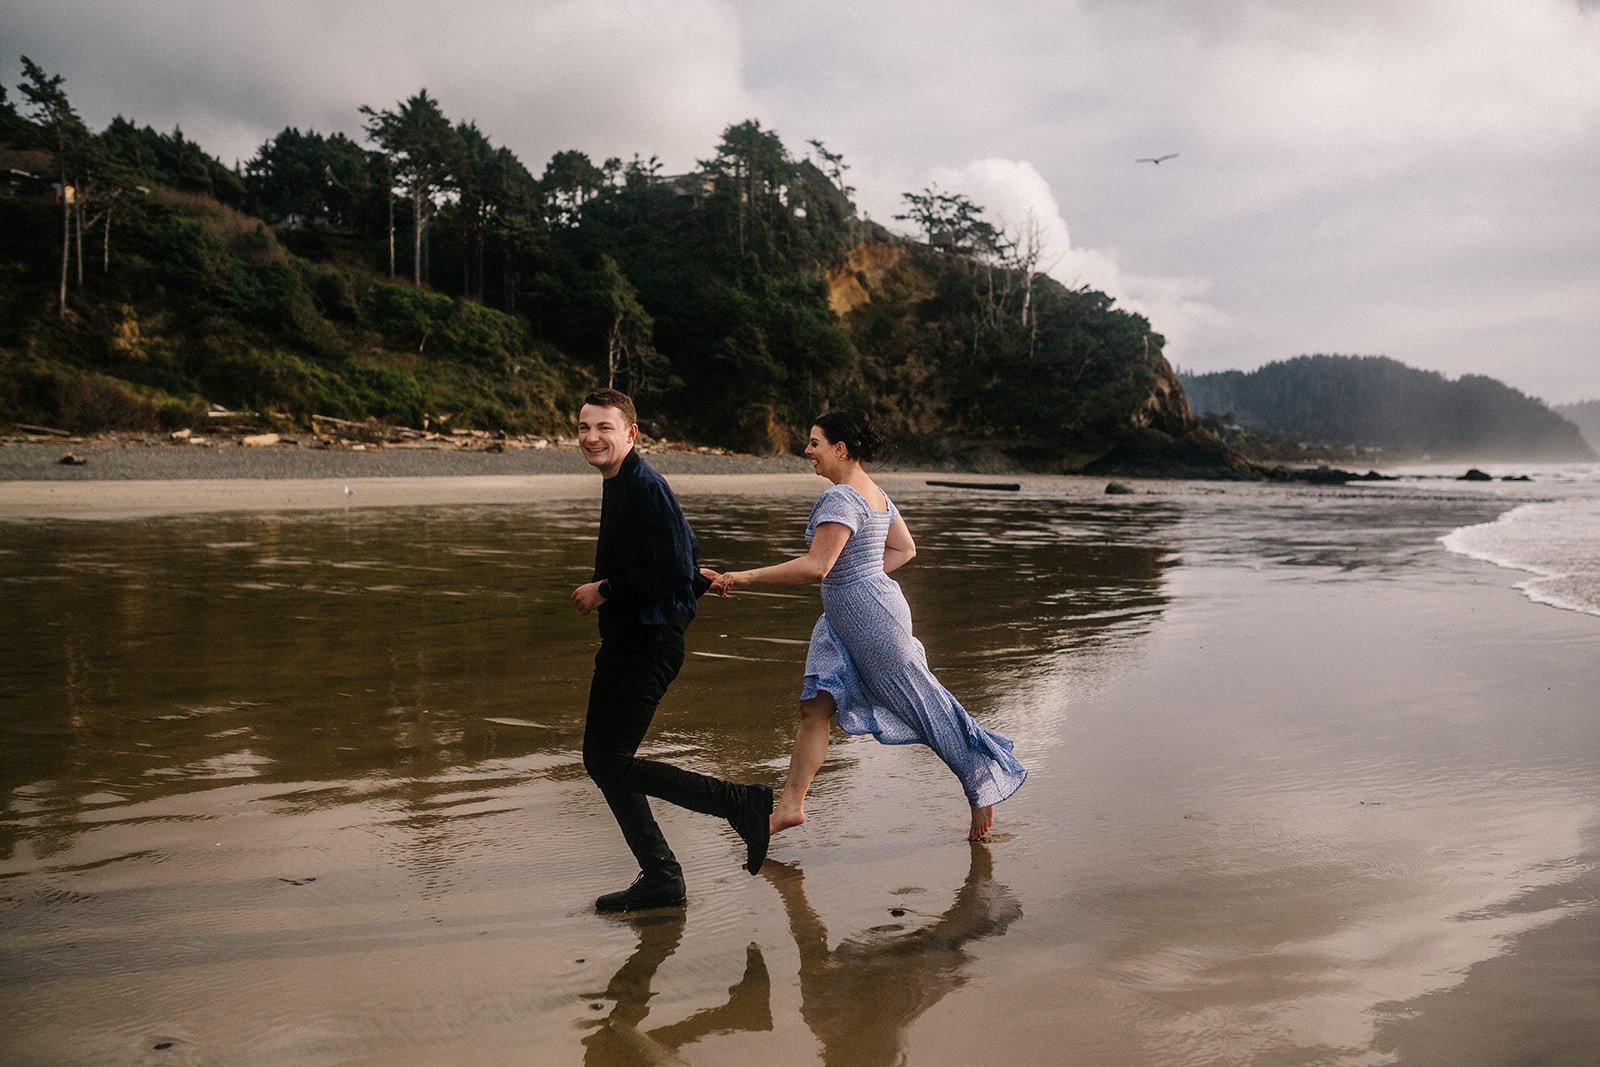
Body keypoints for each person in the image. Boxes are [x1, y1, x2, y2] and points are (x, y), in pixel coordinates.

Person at [709, 409, 1026, 841]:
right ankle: (790, 807)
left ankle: (980, 784)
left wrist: (744, 577)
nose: (807, 451)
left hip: (869, 619)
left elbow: (818, 566)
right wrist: (861, 577)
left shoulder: (841, 498)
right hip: (845, 618)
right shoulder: (874, 493)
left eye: (815, 443)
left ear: (841, 449)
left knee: (923, 704)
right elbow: (904, 548)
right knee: (815, 708)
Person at [573, 388, 772, 914]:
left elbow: (666, 569)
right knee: (603, 759)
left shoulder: (642, 485)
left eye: (604, 428)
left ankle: (739, 804)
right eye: (583, 427)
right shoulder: (622, 482)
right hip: (631, 640)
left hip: (647, 643)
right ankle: (661, 874)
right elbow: (679, 557)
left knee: (609, 760)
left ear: (631, 433)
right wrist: (695, 580)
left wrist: (606, 589)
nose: (591, 437)